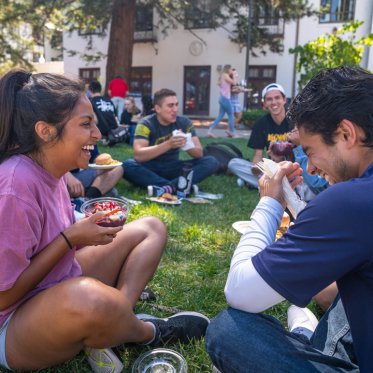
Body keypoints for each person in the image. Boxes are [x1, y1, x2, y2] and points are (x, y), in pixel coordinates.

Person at [0, 70, 210, 372]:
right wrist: (71, 238)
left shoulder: (52, 171)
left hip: (57, 285)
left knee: (151, 227)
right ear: (45, 131)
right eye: (86, 124)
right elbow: (3, 296)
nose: (97, 135)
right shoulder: (14, 184)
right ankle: (146, 332)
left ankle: (111, 326)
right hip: (13, 325)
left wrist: (84, 227)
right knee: (88, 296)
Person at [206, 66, 373, 372]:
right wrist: (295, 202)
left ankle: (307, 339)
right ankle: (309, 338)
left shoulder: (352, 200)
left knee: (228, 331)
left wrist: (270, 202)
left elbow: (240, 292)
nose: (309, 168)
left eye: (310, 151)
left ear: (347, 134)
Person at [122, 88, 219, 194]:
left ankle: (165, 188)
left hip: (174, 167)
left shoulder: (185, 123)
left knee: (211, 161)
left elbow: (199, 154)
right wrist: (169, 144)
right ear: (158, 108)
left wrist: (187, 143)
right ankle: (180, 186)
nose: (175, 109)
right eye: (170, 106)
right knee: (127, 165)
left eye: (176, 105)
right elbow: (139, 156)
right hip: (150, 168)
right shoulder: (145, 124)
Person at [228, 83, 289, 188]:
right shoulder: (261, 123)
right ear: (264, 103)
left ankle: (261, 184)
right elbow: (258, 154)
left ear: (284, 100)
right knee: (234, 163)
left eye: (277, 98)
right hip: (272, 168)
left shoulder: (296, 121)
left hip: (294, 167)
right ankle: (274, 185)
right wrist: (256, 167)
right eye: (269, 99)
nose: (274, 102)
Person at [208, 64, 237, 138]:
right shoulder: (225, 75)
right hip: (225, 98)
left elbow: (221, 84)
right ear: (228, 69)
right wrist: (234, 75)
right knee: (231, 116)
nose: (231, 71)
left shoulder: (222, 76)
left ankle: (210, 131)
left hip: (221, 98)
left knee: (220, 116)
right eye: (231, 69)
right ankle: (233, 133)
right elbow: (234, 83)